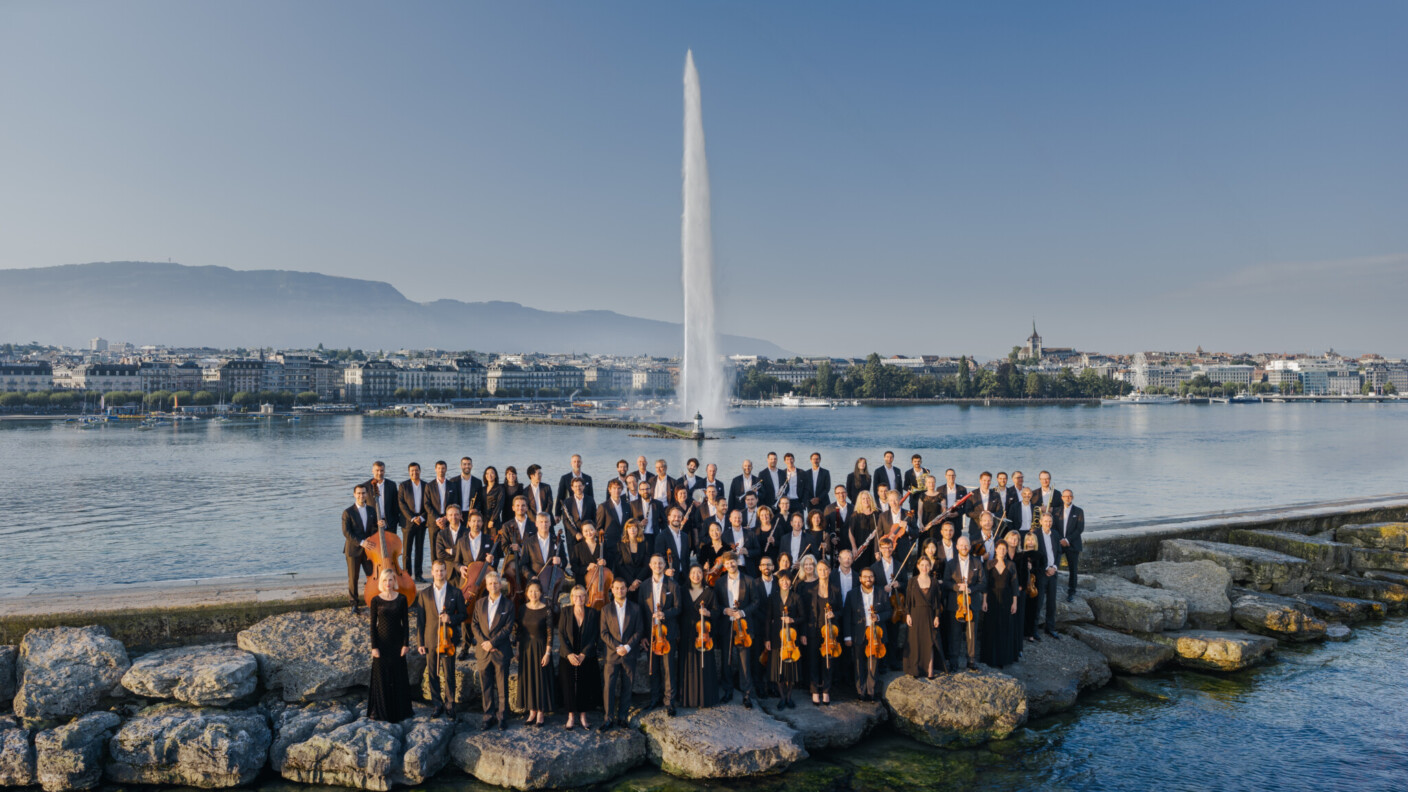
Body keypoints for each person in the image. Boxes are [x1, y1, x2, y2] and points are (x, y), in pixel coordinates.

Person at [414, 560, 468, 717]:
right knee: (433, 674)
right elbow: (420, 621)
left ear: (446, 572)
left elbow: (463, 615)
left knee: (449, 674)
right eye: (436, 571)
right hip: (430, 639)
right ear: (432, 572)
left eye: (442, 570)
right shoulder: (424, 594)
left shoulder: (456, 592)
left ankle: (450, 704)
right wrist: (420, 643)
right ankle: (437, 704)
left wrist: (450, 618)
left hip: (448, 640)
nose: (439, 573)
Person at [471, 571, 515, 730]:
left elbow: (507, 628)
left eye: (496, 583)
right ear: (486, 585)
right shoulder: (479, 603)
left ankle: (502, 717)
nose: (493, 585)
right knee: (486, 686)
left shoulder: (508, 605)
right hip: (483, 651)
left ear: (500, 584)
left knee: (502, 687)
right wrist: (485, 643)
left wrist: (493, 643)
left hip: (500, 651)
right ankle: (488, 716)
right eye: (490, 583)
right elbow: (474, 625)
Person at [368, 568, 412, 722]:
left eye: (391, 580)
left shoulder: (402, 599)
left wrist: (406, 644)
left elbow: (406, 624)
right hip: (381, 644)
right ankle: (382, 712)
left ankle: (400, 712)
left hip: (397, 643)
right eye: (385, 580)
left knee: (398, 677)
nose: (388, 583)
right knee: (382, 678)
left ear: (395, 581)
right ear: (382, 582)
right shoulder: (375, 600)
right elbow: (373, 626)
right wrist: (374, 647)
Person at [715, 553, 759, 708]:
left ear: (737, 562)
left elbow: (756, 602)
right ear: (724, 566)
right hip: (727, 624)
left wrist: (743, 612)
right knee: (726, 660)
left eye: (732, 562)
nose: (730, 565)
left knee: (744, 661)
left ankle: (747, 694)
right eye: (727, 563)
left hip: (743, 626)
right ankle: (728, 691)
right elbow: (717, 605)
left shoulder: (749, 580)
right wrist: (724, 610)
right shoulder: (719, 582)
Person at [600, 578, 643, 730]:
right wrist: (617, 646)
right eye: (617, 588)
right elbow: (603, 633)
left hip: (629, 654)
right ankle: (608, 718)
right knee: (609, 687)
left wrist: (628, 647)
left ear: (627, 589)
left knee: (627, 685)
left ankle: (623, 717)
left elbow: (639, 631)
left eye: (623, 588)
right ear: (612, 590)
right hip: (612, 655)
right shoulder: (606, 609)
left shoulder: (636, 608)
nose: (620, 591)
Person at [640, 554, 680, 715]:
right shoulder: (644, 586)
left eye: (660, 563)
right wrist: (643, 635)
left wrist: (665, 614)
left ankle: (669, 701)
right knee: (653, 668)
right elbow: (642, 612)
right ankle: (655, 699)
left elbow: (678, 608)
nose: (657, 565)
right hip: (650, 634)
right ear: (650, 565)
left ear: (664, 565)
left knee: (669, 668)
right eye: (654, 563)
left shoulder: (673, 584)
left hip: (667, 632)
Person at [843, 567, 891, 701]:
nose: (868, 579)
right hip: (858, 633)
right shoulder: (851, 594)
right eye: (865, 576)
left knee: (873, 664)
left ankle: (871, 691)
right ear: (860, 579)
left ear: (874, 578)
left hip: (876, 634)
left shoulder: (881, 592)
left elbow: (889, 612)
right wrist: (847, 636)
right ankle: (860, 691)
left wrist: (879, 617)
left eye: (870, 576)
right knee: (858, 663)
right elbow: (847, 616)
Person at [558, 585, 601, 729]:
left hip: (586, 655)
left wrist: (584, 653)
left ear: (586, 598)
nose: (579, 598)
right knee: (568, 685)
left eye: (582, 595)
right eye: (576, 596)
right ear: (571, 598)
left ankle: (583, 717)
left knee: (585, 684)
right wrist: (569, 654)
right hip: (568, 655)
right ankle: (571, 717)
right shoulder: (565, 612)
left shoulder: (593, 613)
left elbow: (595, 634)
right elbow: (561, 634)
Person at [943, 536, 986, 670]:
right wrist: (957, 587)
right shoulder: (950, 563)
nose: (964, 547)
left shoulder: (977, 563)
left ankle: (971, 661)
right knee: (954, 633)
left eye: (966, 545)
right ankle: (954, 661)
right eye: (961, 545)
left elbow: (983, 583)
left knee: (971, 633)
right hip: (955, 605)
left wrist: (971, 589)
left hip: (973, 603)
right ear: (957, 547)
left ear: (969, 547)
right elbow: (945, 583)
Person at [517, 580, 555, 726]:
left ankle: (541, 711)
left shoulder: (546, 609)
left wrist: (547, 653)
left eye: (536, 591)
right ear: (527, 593)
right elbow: (519, 630)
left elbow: (550, 633)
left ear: (541, 593)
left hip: (540, 648)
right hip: (526, 648)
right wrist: (518, 648)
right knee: (529, 678)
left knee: (540, 679)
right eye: (531, 591)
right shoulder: (522, 609)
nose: (533, 594)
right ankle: (532, 710)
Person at [764, 569, 804, 708]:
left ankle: (789, 697)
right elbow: (768, 619)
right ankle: (781, 697)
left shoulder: (796, 597)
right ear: (778, 582)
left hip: (791, 638)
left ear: (791, 581)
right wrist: (767, 639)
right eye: (782, 580)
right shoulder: (772, 597)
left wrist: (792, 620)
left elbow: (803, 617)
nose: (785, 582)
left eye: (787, 580)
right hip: (776, 637)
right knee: (778, 670)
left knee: (791, 670)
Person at [680, 564, 719, 708]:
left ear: (703, 575)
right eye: (693, 573)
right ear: (689, 575)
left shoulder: (709, 592)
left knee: (705, 665)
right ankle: (688, 699)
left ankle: (705, 699)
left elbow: (717, 612)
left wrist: (708, 613)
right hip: (686, 632)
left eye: (699, 573)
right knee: (687, 664)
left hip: (703, 633)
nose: (696, 575)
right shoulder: (682, 591)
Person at [806, 559, 843, 705]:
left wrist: (834, 614)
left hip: (830, 631)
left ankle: (826, 690)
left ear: (829, 571)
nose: (823, 572)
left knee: (828, 661)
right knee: (814, 660)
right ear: (817, 571)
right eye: (820, 569)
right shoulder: (810, 589)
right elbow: (807, 612)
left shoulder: (835, 589)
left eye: (825, 569)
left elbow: (841, 610)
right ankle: (815, 690)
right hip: (814, 629)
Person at [903, 555, 945, 679]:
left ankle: (930, 670)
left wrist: (937, 616)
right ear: (918, 566)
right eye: (922, 565)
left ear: (930, 567)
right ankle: (916, 670)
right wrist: (908, 615)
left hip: (929, 615)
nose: (925, 567)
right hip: (915, 615)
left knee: (930, 642)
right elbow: (908, 601)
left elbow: (937, 602)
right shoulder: (912, 581)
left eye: (927, 565)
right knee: (916, 642)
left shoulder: (934, 582)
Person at [982, 541, 1020, 668]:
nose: (1002, 551)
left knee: (1004, 627)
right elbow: (985, 584)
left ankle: (1003, 658)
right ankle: (990, 658)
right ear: (996, 550)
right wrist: (984, 600)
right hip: (991, 599)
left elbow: (1014, 585)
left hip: (1007, 599)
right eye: (1000, 548)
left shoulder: (1011, 565)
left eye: (1005, 549)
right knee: (991, 627)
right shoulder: (988, 564)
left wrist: (1014, 603)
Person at [343, 484, 376, 609]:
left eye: (363, 493)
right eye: (359, 493)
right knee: (353, 578)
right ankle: (354, 604)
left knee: (372, 576)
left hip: (369, 550)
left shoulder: (372, 510)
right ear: (354, 495)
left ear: (367, 495)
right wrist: (362, 542)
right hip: (353, 550)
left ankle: (373, 600)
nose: (361, 495)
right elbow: (347, 532)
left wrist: (376, 530)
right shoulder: (348, 512)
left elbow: (374, 528)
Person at [398, 462, 430, 582]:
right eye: (412, 471)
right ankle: (407, 575)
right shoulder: (403, 486)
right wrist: (412, 517)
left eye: (416, 470)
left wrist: (421, 517)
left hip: (421, 521)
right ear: (409, 472)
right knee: (407, 550)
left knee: (419, 549)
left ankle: (418, 574)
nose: (414, 473)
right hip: (408, 522)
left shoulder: (426, 485)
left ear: (420, 471)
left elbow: (428, 504)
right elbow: (401, 504)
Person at [1034, 513, 1063, 639]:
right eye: (1045, 521)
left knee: (1052, 602)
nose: (1048, 524)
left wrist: (1055, 567)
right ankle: (1034, 629)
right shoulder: (1036, 535)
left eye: (1050, 521)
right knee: (1038, 601)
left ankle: (1050, 628)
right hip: (1042, 572)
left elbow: (1058, 553)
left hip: (1053, 572)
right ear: (1041, 522)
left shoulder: (1055, 534)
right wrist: (1046, 568)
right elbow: (1036, 555)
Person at [595, 478, 630, 563]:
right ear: (609, 490)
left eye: (619, 488)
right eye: (614, 488)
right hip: (609, 546)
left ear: (622, 490)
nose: (616, 491)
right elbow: (599, 527)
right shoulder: (603, 507)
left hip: (624, 544)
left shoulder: (627, 506)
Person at [1058, 489, 1084, 601]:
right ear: (1062, 498)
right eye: (1065, 496)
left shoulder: (1078, 511)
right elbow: (1052, 527)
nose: (1067, 498)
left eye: (1069, 496)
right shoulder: (1056, 511)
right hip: (1059, 543)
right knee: (1052, 565)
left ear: (1072, 497)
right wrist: (1060, 540)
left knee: (1073, 570)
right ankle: (1049, 589)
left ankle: (1071, 592)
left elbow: (1080, 529)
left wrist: (1067, 540)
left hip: (1072, 544)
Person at [431, 504, 467, 585]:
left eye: (456, 514)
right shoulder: (441, 534)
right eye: (450, 515)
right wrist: (458, 554)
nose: (453, 517)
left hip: (463, 572)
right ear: (446, 517)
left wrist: (451, 551)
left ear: (461, 516)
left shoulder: (467, 533)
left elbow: (468, 553)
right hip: (448, 572)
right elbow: (440, 554)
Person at [559, 477, 595, 555]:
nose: (578, 488)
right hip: (573, 535)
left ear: (583, 486)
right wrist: (575, 533)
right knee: (574, 559)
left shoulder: (590, 500)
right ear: (572, 488)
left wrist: (590, 532)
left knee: (587, 557)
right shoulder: (567, 502)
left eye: (580, 486)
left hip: (587, 535)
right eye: (575, 486)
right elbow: (565, 521)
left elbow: (594, 517)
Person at [362, 460, 399, 536]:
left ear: (384, 471)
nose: (379, 473)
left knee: (390, 547)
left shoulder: (392, 485)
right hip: (372, 524)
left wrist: (394, 521)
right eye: (377, 470)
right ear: (372, 471)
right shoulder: (365, 486)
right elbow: (363, 507)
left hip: (389, 523)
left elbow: (395, 505)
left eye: (381, 470)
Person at [614, 520, 650, 594]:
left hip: (641, 581)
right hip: (626, 582)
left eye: (634, 528)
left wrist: (638, 580)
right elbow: (620, 566)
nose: (632, 530)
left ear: (638, 529)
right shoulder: (620, 545)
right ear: (626, 530)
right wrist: (631, 581)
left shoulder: (645, 544)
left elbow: (647, 565)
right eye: (629, 528)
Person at [655, 506, 692, 579]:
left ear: (682, 518)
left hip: (684, 576)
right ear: (668, 517)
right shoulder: (661, 536)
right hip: (669, 577)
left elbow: (686, 558)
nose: (676, 519)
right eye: (674, 516)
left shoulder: (685, 536)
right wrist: (665, 570)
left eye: (679, 517)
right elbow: (658, 558)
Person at [1019, 531, 1042, 642]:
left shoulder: (1039, 555)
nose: (1030, 542)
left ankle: (1031, 633)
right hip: (1024, 585)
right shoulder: (1022, 554)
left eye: (1032, 539)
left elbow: (1040, 571)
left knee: (1033, 609)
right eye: (1028, 540)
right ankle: (1023, 631)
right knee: (1024, 608)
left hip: (1034, 586)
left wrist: (1031, 568)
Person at [850, 491, 880, 569]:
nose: (866, 501)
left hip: (875, 547)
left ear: (871, 500)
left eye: (868, 498)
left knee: (874, 568)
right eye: (863, 499)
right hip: (861, 546)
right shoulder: (856, 514)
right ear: (860, 501)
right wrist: (854, 547)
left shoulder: (877, 513)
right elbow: (850, 532)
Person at [426, 460, 452, 538]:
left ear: (446, 469)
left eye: (443, 468)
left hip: (448, 521)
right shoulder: (429, 485)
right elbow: (426, 504)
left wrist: (445, 518)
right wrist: (437, 519)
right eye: (439, 468)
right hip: (433, 521)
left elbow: (455, 502)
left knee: (448, 546)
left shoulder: (452, 485)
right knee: (433, 548)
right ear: (435, 469)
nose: (441, 470)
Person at [480, 466, 502, 536]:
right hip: (483, 519)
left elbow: (499, 505)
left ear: (495, 475)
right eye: (487, 473)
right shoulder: (482, 489)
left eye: (492, 473)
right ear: (485, 476)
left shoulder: (500, 488)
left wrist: (492, 520)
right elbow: (480, 503)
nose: (489, 475)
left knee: (494, 540)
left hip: (494, 519)